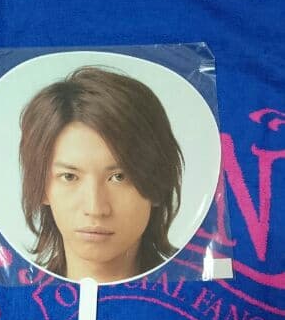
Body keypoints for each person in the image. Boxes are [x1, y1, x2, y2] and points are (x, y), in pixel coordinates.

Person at [19, 66, 183, 283]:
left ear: (157, 184)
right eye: (69, 176)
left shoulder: (202, 297)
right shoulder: (17, 298)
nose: (95, 209)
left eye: (119, 177)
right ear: (41, 187)